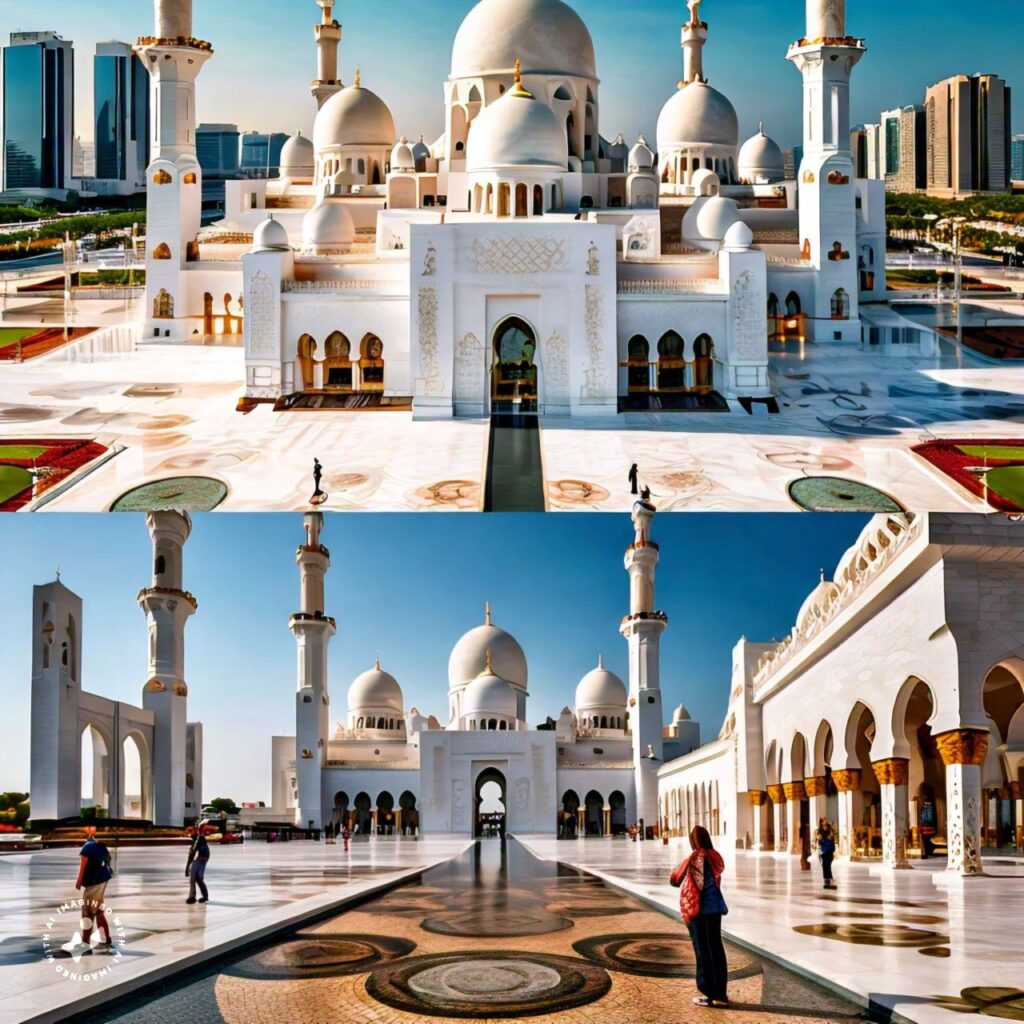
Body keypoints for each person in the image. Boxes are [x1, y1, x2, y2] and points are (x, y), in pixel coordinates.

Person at [670, 825, 729, 1008]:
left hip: (701, 910)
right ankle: (720, 993)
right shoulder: (714, 856)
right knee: (716, 948)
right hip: (715, 908)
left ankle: (710, 993)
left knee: (703, 950)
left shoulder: (698, 857)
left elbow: (676, 879)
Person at [75, 826, 113, 950]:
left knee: (88, 912)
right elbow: (107, 861)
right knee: (98, 911)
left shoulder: (87, 848)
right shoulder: (100, 846)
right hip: (103, 880)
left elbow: (83, 866)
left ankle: (85, 942)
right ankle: (105, 938)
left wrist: (79, 882)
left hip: (94, 883)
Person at [185, 823, 211, 905]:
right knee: (193, 876)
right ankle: (192, 896)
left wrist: (187, 867)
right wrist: (188, 866)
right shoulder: (195, 840)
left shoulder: (199, 838)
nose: (190, 834)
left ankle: (204, 896)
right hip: (200, 857)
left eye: (191, 832)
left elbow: (192, 854)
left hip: (203, 857)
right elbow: (191, 854)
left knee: (198, 877)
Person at [815, 819, 837, 889]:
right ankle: (827, 881)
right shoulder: (821, 834)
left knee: (828, 867)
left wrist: (833, 851)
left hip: (829, 852)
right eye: (823, 825)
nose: (824, 827)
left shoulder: (830, 833)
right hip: (824, 853)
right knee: (825, 867)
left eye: (825, 826)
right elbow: (819, 843)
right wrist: (819, 840)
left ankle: (829, 880)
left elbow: (832, 843)